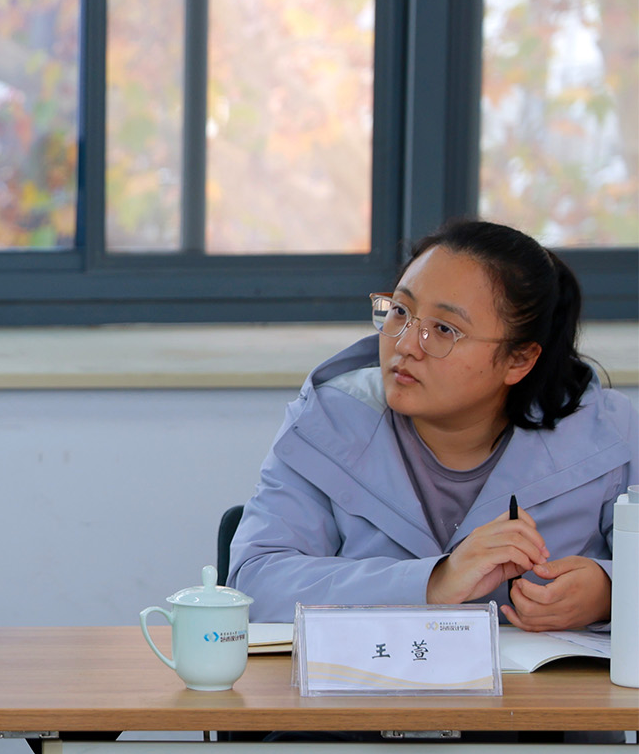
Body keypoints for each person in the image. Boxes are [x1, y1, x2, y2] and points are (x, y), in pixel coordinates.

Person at [231, 220, 629, 626]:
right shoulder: (328, 420)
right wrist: (432, 583)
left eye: (443, 329)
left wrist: (611, 592)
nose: (404, 344)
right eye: (400, 311)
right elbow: (255, 585)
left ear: (519, 359)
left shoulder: (610, 434)